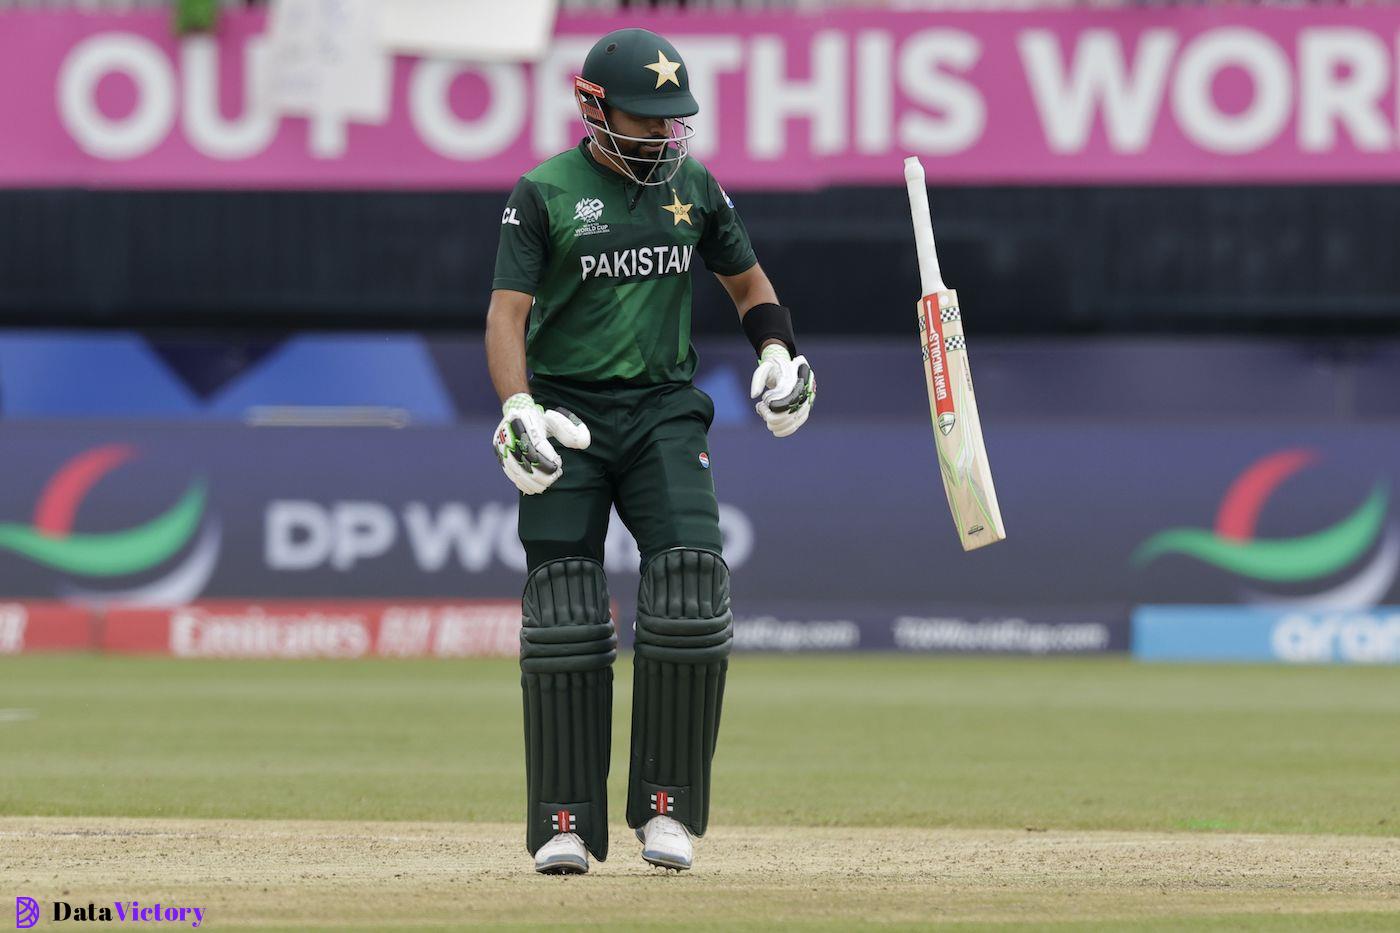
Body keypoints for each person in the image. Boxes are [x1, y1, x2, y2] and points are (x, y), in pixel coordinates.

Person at [486, 26, 815, 875]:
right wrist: (517, 405)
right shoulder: (545, 192)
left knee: (690, 589)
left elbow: (749, 285)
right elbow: (506, 315)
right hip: (567, 415)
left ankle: (668, 810)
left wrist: (777, 352)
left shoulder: (693, 186)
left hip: (664, 409)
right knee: (563, 603)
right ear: (595, 110)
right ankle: (564, 820)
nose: (664, 134)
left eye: (675, 119)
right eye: (647, 119)